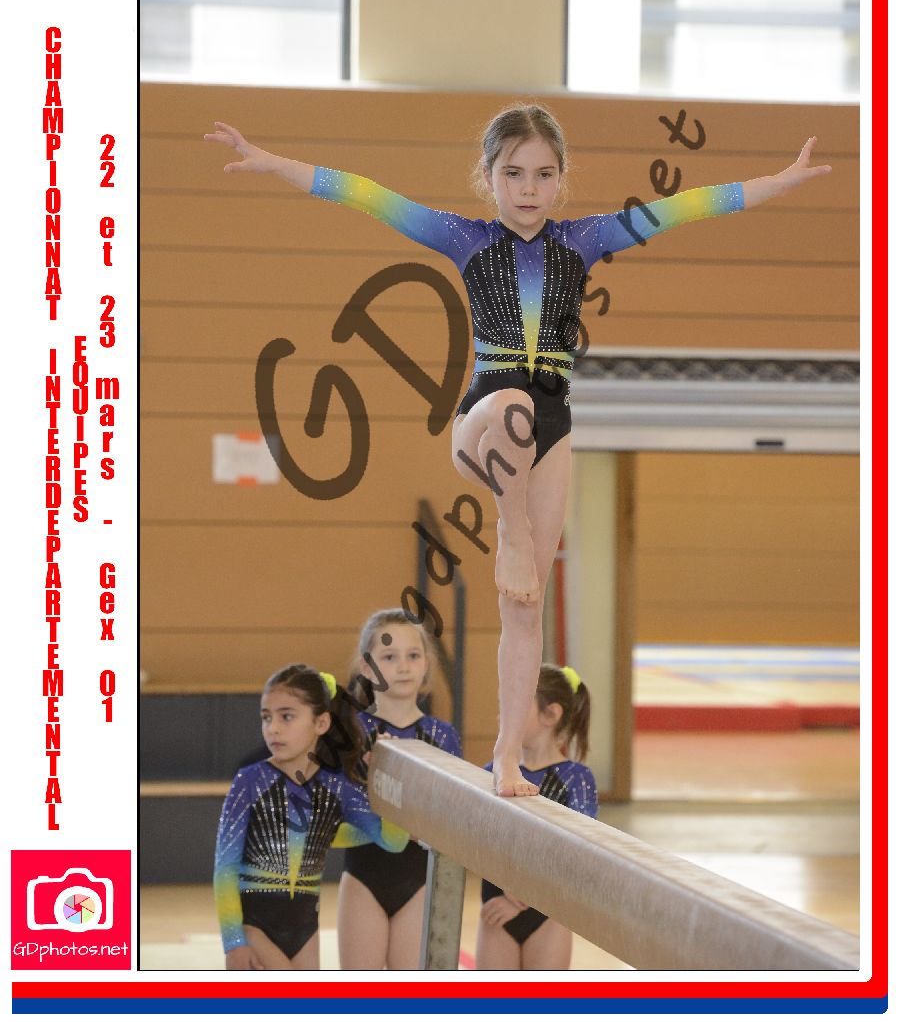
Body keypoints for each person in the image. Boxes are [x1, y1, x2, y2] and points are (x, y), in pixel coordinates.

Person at [204, 108, 832, 798]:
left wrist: (779, 181)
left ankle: (506, 755)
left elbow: (689, 206)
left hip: (553, 426)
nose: (529, 188)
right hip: (485, 421)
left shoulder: (585, 240)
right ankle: (510, 529)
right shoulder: (464, 238)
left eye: (543, 174)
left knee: (525, 609)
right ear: (488, 176)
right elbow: (366, 194)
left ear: (561, 179)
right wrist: (273, 162)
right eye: (513, 174)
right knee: (516, 408)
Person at [213, 663, 408, 971]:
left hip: (305, 933)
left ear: (321, 723)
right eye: (267, 717)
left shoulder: (337, 788)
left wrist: (387, 778)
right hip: (255, 930)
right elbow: (225, 868)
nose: (273, 728)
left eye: (286, 716)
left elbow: (392, 841)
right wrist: (234, 942)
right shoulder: (249, 782)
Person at [337, 608, 462, 969]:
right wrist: (373, 776)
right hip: (363, 880)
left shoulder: (442, 737)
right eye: (389, 657)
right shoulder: (351, 733)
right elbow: (336, 815)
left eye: (413, 655)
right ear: (367, 667)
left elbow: (453, 816)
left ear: (427, 664)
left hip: (419, 883)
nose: (404, 666)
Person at [477, 663, 597, 970]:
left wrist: (524, 897)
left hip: (549, 913)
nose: (501, 715)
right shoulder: (494, 773)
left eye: (513, 706)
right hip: (496, 906)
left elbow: (578, 853)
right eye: (502, 705)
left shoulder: (576, 778)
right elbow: (479, 842)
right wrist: (505, 891)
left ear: (550, 715)